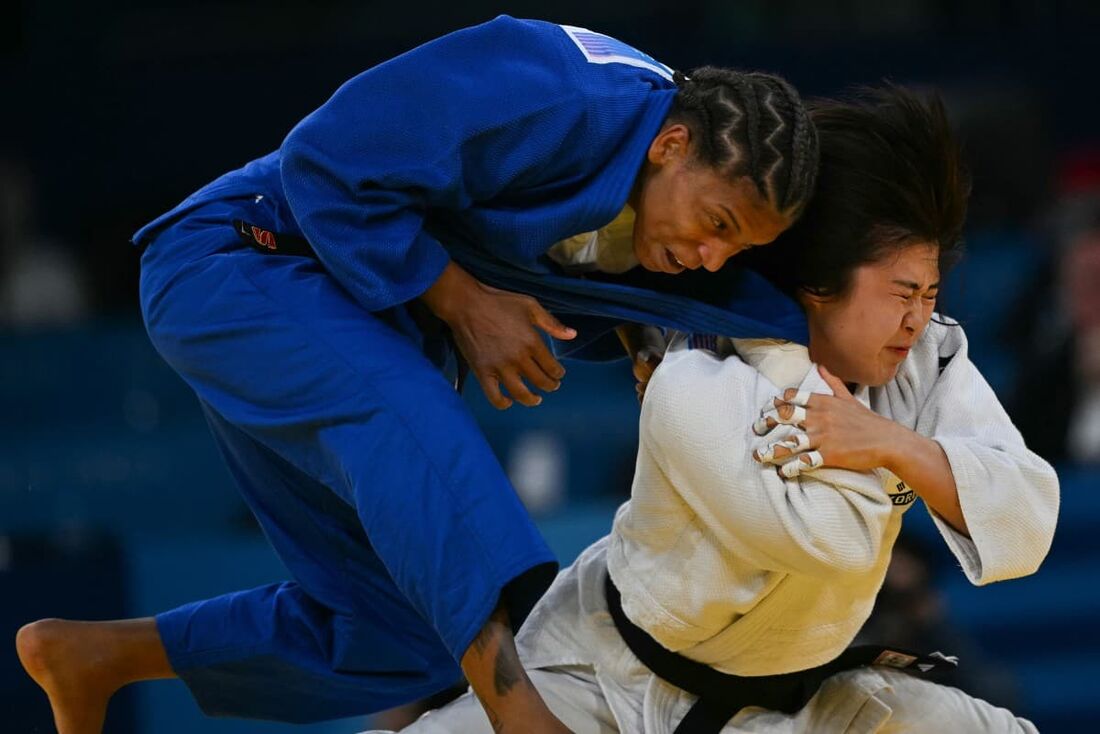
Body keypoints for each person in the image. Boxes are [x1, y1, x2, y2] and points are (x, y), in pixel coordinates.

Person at [15, 15, 819, 734]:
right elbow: (324, 159)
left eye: (734, 248)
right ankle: (521, 716)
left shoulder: (656, 182)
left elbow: (624, 281)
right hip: (243, 260)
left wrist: (651, 335)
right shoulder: (552, 87)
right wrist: (462, 298)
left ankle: (96, 656)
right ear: (672, 145)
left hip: (355, 321)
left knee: (402, 635)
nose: (712, 258)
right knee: (409, 416)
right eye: (715, 224)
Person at [378, 86, 1059, 733]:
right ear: (818, 283)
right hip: (601, 678)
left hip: (798, 702)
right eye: (900, 292)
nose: (917, 319)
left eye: (929, 293)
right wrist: (914, 458)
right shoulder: (701, 370)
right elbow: (836, 542)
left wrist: (891, 444)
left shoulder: (924, 358)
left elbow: (1027, 513)